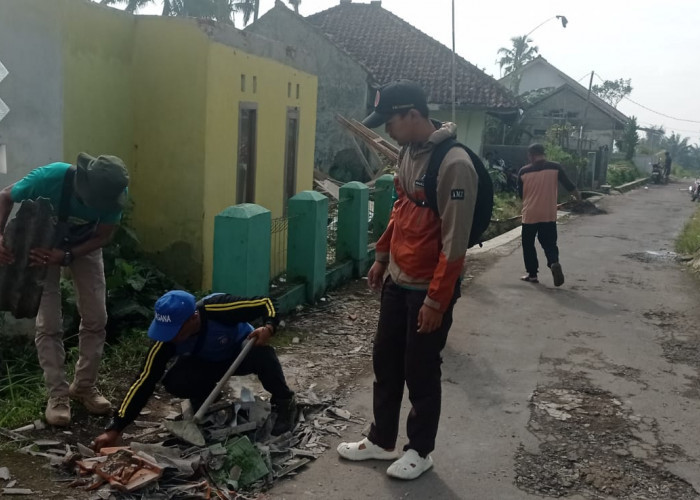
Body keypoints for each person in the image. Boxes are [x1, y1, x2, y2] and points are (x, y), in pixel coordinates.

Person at [336, 80, 478, 480]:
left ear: (412, 115)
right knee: (386, 360)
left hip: (428, 289)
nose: (386, 130)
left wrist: (436, 300)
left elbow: (455, 242)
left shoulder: (454, 165)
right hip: (398, 281)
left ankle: (420, 450)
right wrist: (382, 256)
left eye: (390, 121)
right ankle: (382, 441)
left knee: (420, 369)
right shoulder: (406, 153)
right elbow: (402, 208)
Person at [0, 153, 129, 426]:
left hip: (82, 247)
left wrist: (67, 255)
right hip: (40, 247)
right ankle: (57, 395)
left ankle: (84, 387)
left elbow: (104, 235)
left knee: (96, 317)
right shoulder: (51, 177)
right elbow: (5, 195)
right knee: (49, 322)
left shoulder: (114, 192)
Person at [92, 290, 296, 451]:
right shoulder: (166, 341)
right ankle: (206, 401)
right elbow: (143, 381)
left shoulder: (218, 308)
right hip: (206, 363)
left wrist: (269, 327)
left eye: (175, 331)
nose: (169, 337)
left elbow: (266, 303)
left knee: (264, 355)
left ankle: (284, 402)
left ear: (193, 318)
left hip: (240, 353)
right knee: (175, 381)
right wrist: (116, 427)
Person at [517, 143, 581, 286]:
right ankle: (553, 262)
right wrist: (578, 198)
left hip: (530, 214)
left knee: (528, 245)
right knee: (550, 243)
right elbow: (570, 186)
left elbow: (521, 195)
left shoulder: (523, 171)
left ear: (531, 155)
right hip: (548, 213)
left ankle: (532, 275)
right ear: (543, 154)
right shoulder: (555, 167)